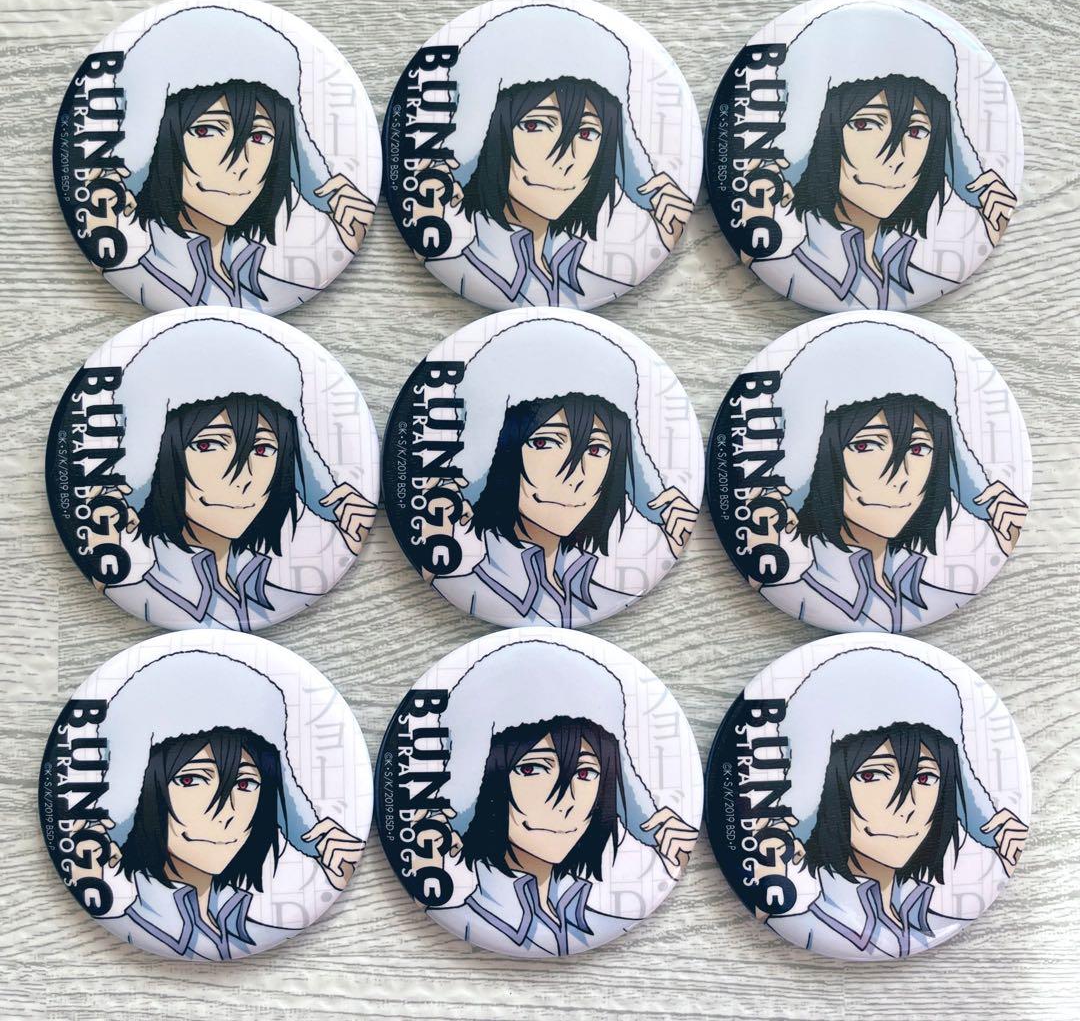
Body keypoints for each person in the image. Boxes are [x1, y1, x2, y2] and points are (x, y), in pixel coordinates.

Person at [67, 650, 365, 961]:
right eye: (191, 780)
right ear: (139, 793)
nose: (226, 813)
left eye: (245, 784)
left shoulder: (251, 933)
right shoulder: (124, 934)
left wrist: (337, 880)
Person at [416, 639, 698, 957]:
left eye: (585, 773)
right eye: (532, 769)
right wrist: (426, 869)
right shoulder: (462, 925)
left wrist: (677, 860)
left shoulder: (608, 925)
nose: (566, 802)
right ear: (481, 781)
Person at [95, 316, 375, 630]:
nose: (244, 478)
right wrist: (103, 557)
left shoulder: (279, 598)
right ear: (154, 460)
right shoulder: (135, 597)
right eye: (208, 445)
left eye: (263, 449)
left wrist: (348, 546)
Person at [90, 5, 374, 312]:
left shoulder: (284, 291)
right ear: (153, 144)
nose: (240, 165)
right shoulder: (137, 284)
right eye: (206, 131)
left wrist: (349, 241)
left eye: (259, 136)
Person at [748, 319, 1027, 632]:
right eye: (865, 445)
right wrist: (761, 557)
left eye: (919, 448)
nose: (900, 477)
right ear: (814, 458)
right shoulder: (794, 598)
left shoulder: (941, 599)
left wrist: (1005, 545)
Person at [419, 3, 694, 308]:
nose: (566, 159)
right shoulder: (458, 277)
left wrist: (666, 235)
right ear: (483, 136)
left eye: (587, 133)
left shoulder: (601, 286)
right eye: (535, 125)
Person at [747, 1, 1017, 311]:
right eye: (865, 124)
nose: (896, 157)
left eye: (916, 130)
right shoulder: (785, 276)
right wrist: (752, 231)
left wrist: (990, 234)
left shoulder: (933, 284)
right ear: (814, 135)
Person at [430, 317, 698, 627]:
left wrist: (671, 548)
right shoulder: (468, 591)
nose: (575, 476)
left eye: (596, 449)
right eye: (544, 443)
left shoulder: (604, 597)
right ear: (497, 452)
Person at [763, 647, 1027, 960]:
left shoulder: (941, 927)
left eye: (925, 778)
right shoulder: (800, 928)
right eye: (872, 775)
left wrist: (1006, 866)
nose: (906, 806)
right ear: (822, 788)